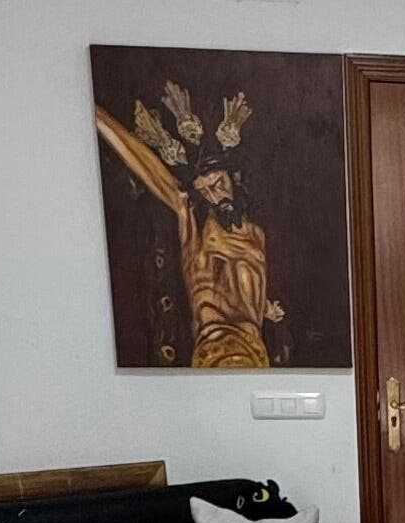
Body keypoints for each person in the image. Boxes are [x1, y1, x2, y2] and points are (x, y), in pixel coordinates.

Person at [96, 82, 284, 369]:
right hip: (215, 347)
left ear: (233, 178)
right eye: (205, 190)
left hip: (255, 352)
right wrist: (101, 120)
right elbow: (149, 169)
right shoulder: (193, 220)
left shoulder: (256, 233)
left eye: (218, 184)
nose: (214, 195)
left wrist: (263, 308)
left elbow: (241, 288)